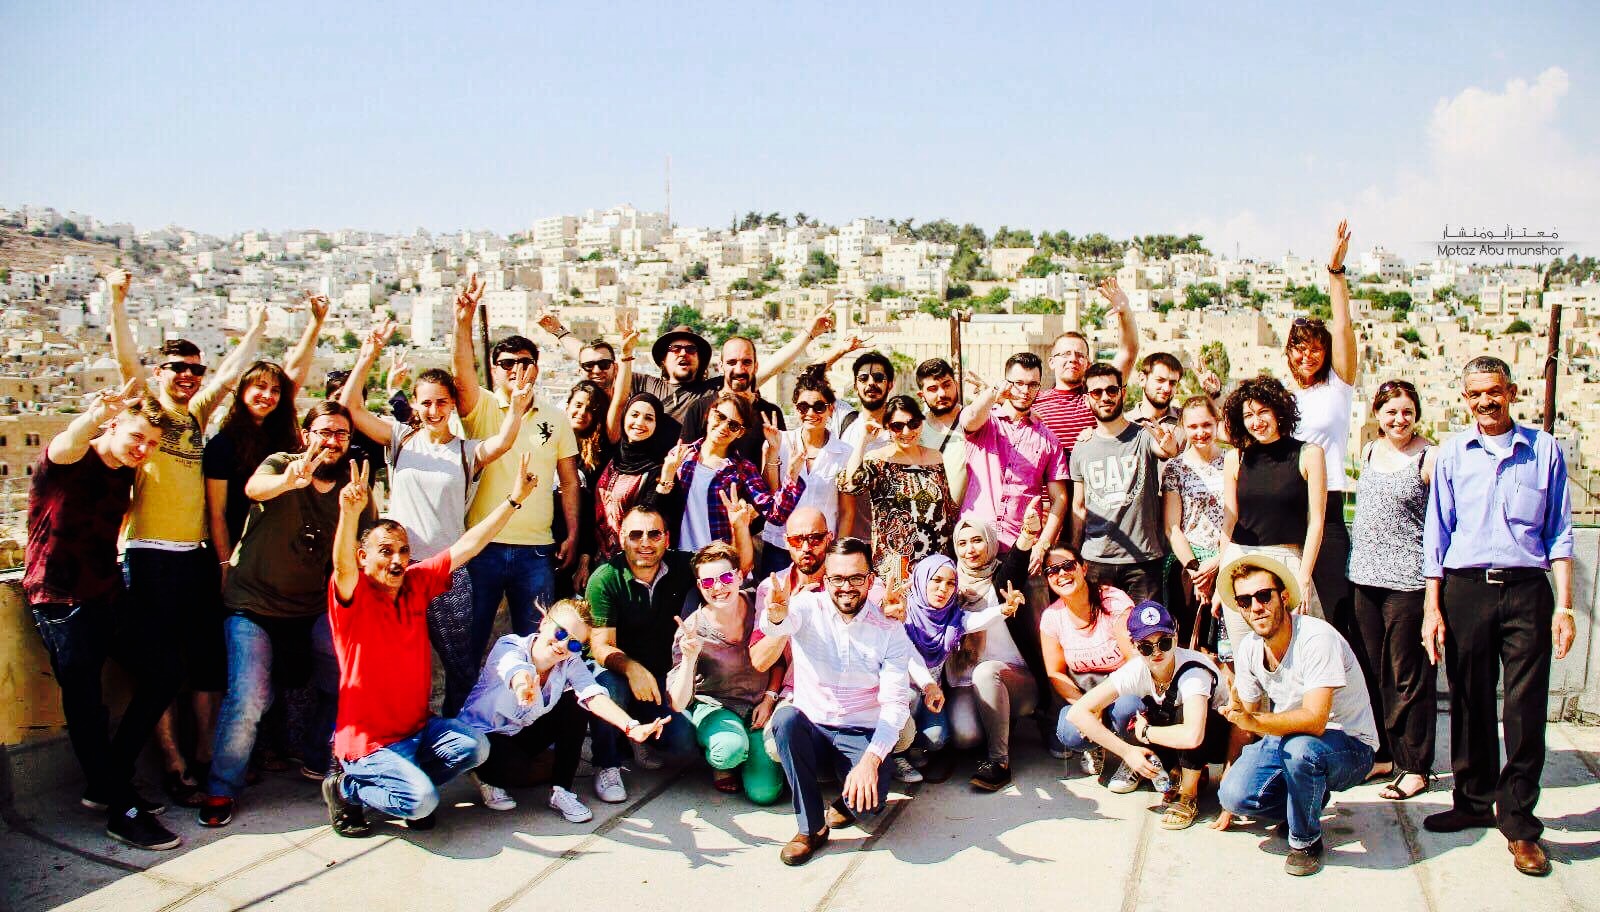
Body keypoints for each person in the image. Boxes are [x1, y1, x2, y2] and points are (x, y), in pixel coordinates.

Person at [107, 270, 269, 807]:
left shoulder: (197, 417)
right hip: (150, 556)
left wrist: (256, 330)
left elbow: (229, 375)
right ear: (161, 372)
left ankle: (204, 753)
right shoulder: (148, 413)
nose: (189, 376)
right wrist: (116, 301)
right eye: (178, 367)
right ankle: (173, 765)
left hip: (195, 558)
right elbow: (126, 363)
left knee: (204, 662)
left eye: (195, 369)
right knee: (159, 666)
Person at [321, 451, 538, 835]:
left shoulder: (416, 582)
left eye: (403, 550)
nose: (397, 560)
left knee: (475, 747)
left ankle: (407, 783)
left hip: (417, 730)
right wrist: (350, 514)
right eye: (385, 551)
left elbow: (468, 545)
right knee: (422, 802)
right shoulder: (354, 596)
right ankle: (345, 788)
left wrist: (514, 499)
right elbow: (342, 567)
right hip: (369, 744)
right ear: (363, 557)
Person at [1419, 356, 1575, 877]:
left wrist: (1566, 605)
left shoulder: (1544, 450)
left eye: (1494, 391)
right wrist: (1432, 607)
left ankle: (1520, 823)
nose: (1485, 401)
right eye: (1475, 394)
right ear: (1465, 399)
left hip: (1527, 589)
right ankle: (1472, 800)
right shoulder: (1452, 454)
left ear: (1511, 392)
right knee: (1468, 698)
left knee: (1526, 707)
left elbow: (1560, 533)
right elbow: (1437, 534)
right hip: (1466, 589)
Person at [340, 322, 530, 716]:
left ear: (452, 405)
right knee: (389, 659)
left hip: (447, 570)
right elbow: (352, 409)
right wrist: (367, 357)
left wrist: (514, 408)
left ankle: (461, 732)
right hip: (397, 570)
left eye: (442, 403)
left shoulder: (465, 451)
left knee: (460, 664)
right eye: (426, 403)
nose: (433, 411)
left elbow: (503, 442)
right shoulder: (401, 439)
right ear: (414, 404)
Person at [25, 381, 183, 850]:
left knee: (165, 671)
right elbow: (69, 440)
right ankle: (122, 809)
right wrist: (93, 416)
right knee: (86, 706)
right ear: (112, 425)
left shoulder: (124, 473)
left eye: (151, 443)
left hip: (107, 594)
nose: (143, 449)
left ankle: (108, 780)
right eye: (137, 437)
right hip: (61, 601)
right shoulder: (69, 459)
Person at [199, 402, 367, 828]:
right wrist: (289, 481)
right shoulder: (282, 463)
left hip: (312, 607)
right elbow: (255, 488)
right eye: (324, 431)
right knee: (249, 696)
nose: (332, 441)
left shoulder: (353, 487)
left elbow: (363, 549)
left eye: (341, 434)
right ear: (306, 435)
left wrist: (355, 511)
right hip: (253, 605)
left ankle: (317, 754)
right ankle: (221, 787)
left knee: (347, 676)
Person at [1215, 553, 1379, 877]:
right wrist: (1229, 774)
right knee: (1234, 795)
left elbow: (1315, 721)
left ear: (1284, 597)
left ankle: (1305, 842)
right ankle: (1307, 801)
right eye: (1246, 601)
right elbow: (1244, 719)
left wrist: (1254, 721)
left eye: (1264, 596)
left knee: (1301, 750)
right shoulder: (1249, 648)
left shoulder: (1316, 638)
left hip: (1349, 744)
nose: (1256, 607)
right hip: (1288, 738)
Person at [760, 537, 914, 867]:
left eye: (856, 578)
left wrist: (871, 761)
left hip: (861, 730)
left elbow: (895, 704)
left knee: (867, 808)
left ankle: (848, 796)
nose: (846, 587)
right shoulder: (806, 606)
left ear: (870, 580)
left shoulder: (889, 629)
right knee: (785, 720)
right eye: (837, 579)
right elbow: (778, 625)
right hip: (813, 727)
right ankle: (811, 828)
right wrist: (775, 617)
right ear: (825, 579)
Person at [450, 276, 581, 662]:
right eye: (507, 363)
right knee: (469, 645)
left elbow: (569, 482)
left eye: (525, 362)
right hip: (482, 546)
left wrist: (573, 533)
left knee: (537, 647)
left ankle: (529, 705)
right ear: (494, 371)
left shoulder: (556, 417)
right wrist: (463, 321)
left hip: (536, 550)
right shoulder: (482, 407)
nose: (517, 369)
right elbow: (460, 374)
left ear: (537, 368)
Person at [457, 598, 668, 822]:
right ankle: (483, 776)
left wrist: (631, 727)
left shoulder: (570, 662)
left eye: (574, 643)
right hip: (484, 735)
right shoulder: (510, 645)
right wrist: (522, 686)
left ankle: (561, 791)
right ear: (544, 622)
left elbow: (593, 695)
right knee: (513, 770)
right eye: (560, 633)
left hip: (520, 733)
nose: (563, 644)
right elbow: (514, 669)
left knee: (576, 703)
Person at [1066, 600, 1232, 830]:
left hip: (1213, 740)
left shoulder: (1193, 672)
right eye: (1146, 647)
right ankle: (1179, 770)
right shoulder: (1137, 669)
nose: (1157, 653)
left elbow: (1192, 735)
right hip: (1175, 734)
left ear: (1175, 637)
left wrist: (1145, 732)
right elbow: (1077, 712)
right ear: (1134, 646)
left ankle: (1188, 795)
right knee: (1134, 712)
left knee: (1181, 714)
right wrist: (1127, 751)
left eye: (1164, 643)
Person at [1349, 379, 1437, 803]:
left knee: (1408, 676)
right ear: (1377, 415)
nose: (1400, 419)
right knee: (1371, 671)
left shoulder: (1428, 457)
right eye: (1391, 412)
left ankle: (1415, 766)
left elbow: (1439, 523)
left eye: (1407, 412)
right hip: (1365, 578)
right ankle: (1383, 754)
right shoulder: (1369, 451)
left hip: (1408, 582)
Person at [584, 506, 704, 803]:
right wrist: (631, 668)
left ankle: (638, 737)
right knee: (604, 685)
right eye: (636, 535)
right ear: (622, 537)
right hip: (620, 674)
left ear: (667, 538)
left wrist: (739, 526)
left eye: (654, 534)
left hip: (660, 678)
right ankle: (607, 764)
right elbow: (600, 646)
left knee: (685, 743)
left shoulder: (683, 566)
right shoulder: (605, 578)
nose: (645, 542)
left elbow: (734, 567)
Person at [1288, 222, 1361, 660]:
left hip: (1329, 507)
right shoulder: (1281, 399)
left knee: (1337, 613)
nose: (1307, 355)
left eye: (1315, 348)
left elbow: (1343, 324)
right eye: (1299, 348)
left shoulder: (1339, 386)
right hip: (1288, 511)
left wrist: (1335, 272)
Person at [666, 543, 787, 804]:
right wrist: (689, 658)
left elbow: (778, 661)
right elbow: (677, 702)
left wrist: (769, 699)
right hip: (717, 707)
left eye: (726, 578)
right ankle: (726, 759)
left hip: (759, 707)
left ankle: (750, 755)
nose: (718, 587)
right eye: (708, 582)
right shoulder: (692, 629)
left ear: (739, 576)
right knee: (729, 750)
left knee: (764, 793)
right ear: (699, 586)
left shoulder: (758, 607)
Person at [1216, 376, 1327, 650]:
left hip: (1287, 564)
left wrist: (1303, 577)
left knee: (1297, 653)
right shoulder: (1235, 458)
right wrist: (1221, 579)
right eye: (1249, 415)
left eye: (1263, 411)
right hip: (1239, 564)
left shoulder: (1309, 454)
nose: (1257, 422)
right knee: (1245, 655)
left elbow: (1316, 522)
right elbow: (1229, 521)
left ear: (1279, 411)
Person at [911, 552, 1031, 792]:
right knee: (906, 702)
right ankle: (896, 753)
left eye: (950, 583)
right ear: (921, 579)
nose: (943, 589)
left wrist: (1004, 610)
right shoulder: (902, 615)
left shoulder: (951, 618)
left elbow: (978, 620)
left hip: (930, 697)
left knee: (936, 739)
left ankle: (911, 746)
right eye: (936, 580)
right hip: (905, 693)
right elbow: (908, 657)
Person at [1071, 363, 1181, 602]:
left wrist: (1170, 447)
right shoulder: (1082, 446)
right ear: (1087, 399)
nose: (1105, 397)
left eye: (1111, 390)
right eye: (1096, 392)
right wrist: (1075, 553)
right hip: (1096, 559)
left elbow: (1166, 450)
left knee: (1147, 625)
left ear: (1123, 392)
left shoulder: (1143, 435)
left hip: (1143, 561)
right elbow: (1078, 506)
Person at [959, 352, 1069, 580]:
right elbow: (969, 419)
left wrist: (1043, 544)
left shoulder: (1048, 439)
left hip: (1022, 546)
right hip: (976, 545)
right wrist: (994, 393)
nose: (1025, 391)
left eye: (1032, 384)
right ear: (1006, 382)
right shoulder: (987, 422)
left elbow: (1059, 499)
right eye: (1018, 383)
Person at [1039, 543, 1141, 788]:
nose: (1061, 574)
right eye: (1052, 570)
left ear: (1083, 568)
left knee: (1127, 710)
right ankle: (1097, 746)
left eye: (1068, 566)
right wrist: (1086, 706)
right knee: (1070, 731)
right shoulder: (1052, 617)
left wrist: (1098, 704)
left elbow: (1134, 660)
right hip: (1083, 692)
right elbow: (1055, 673)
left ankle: (1133, 757)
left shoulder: (1113, 601)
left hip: (1124, 688)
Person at [655, 391, 806, 553]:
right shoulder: (681, 456)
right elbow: (660, 510)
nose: (724, 427)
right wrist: (667, 475)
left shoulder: (743, 469)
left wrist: (791, 475)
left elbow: (775, 515)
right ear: (709, 414)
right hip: (677, 556)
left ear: (740, 432)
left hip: (719, 560)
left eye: (733, 425)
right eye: (720, 417)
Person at [839, 394, 955, 573]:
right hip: (894, 565)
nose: (907, 432)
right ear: (887, 427)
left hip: (935, 563)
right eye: (897, 426)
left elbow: (947, 508)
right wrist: (863, 440)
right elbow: (850, 485)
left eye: (913, 423)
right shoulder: (878, 459)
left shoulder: (936, 457)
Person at [1033, 276, 1139, 469]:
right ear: (1051, 362)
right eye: (1065, 354)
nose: (1073, 359)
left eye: (1080, 355)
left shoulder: (1098, 396)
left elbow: (1128, 352)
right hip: (1049, 488)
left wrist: (1125, 312)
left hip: (1092, 485)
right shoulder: (1034, 401)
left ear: (1088, 364)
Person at [759, 366, 853, 576]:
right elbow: (771, 499)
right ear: (796, 409)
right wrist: (772, 453)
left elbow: (847, 511)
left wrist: (838, 554)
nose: (810, 413)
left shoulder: (845, 453)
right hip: (780, 544)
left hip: (821, 549)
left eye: (819, 407)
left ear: (831, 409)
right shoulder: (779, 442)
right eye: (803, 407)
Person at [1161, 396, 1227, 648]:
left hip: (1226, 560)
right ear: (1183, 428)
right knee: (1189, 643)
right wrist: (1196, 572)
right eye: (1193, 426)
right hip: (1189, 566)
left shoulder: (1233, 462)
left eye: (1206, 425)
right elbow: (1172, 528)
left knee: (1224, 649)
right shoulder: (1175, 468)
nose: (1201, 432)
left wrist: (1219, 561)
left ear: (1216, 422)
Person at [677, 336, 788, 466]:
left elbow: (780, 466)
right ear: (720, 366)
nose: (739, 370)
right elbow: (684, 463)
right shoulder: (699, 408)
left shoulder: (771, 414)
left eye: (746, 362)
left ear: (756, 366)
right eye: (732, 362)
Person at [556, 379, 613, 595]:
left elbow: (592, 512)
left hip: (576, 547)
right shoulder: (549, 443)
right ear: (567, 406)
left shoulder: (597, 457)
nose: (582, 413)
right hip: (542, 543)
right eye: (578, 405)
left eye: (590, 409)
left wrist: (585, 559)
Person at [834, 350, 897, 540]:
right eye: (863, 378)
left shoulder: (904, 431)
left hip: (892, 542)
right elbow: (809, 377)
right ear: (855, 386)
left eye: (878, 378)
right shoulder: (844, 421)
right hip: (852, 541)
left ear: (890, 384)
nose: (871, 383)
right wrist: (841, 350)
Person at [913, 358, 970, 506]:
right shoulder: (915, 429)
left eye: (947, 385)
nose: (942, 393)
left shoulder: (972, 422)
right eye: (933, 389)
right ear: (921, 395)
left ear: (956, 385)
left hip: (967, 516)